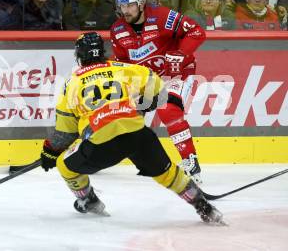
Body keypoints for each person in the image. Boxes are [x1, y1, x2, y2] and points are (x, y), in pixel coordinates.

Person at [39, 32, 224, 224]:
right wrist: (146, 103)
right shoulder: (124, 69)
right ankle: (204, 207)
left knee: (64, 165)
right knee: (168, 174)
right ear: (103, 52)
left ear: (79, 55)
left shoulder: (71, 84)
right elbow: (160, 91)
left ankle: (89, 200)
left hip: (102, 144)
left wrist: (50, 152)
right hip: (138, 136)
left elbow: (64, 134)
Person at [110, 0, 206, 184]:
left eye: (129, 5)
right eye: (121, 5)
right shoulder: (117, 30)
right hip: (147, 79)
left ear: (141, 3)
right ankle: (97, 154)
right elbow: (122, 63)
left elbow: (197, 31)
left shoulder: (163, 16)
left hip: (176, 74)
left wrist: (180, 53)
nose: (124, 10)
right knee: (120, 115)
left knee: (167, 108)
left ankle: (190, 162)